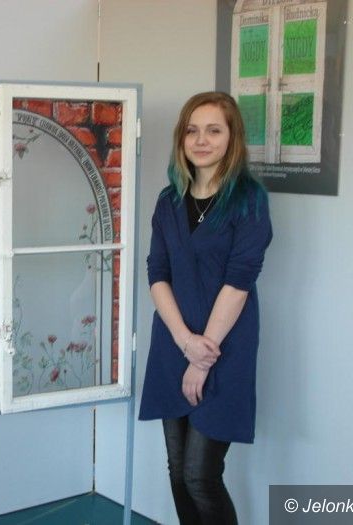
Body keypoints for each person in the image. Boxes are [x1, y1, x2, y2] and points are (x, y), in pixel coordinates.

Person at [139, 92, 273, 524]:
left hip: (224, 347)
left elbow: (239, 281)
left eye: (213, 130)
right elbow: (157, 272)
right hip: (173, 342)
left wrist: (201, 357)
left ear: (232, 138)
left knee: (200, 475)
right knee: (178, 471)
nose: (201, 140)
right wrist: (184, 342)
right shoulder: (168, 201)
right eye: (192, 130)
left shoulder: (249, 201)